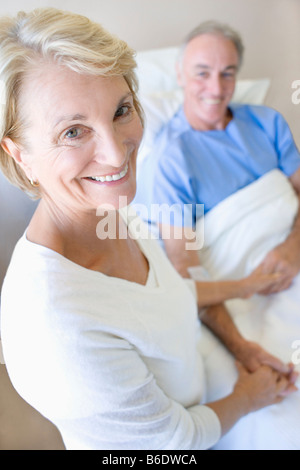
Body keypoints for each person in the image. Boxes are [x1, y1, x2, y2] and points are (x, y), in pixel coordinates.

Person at [0, 8, 297, 451]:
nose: (117, 155)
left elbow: (166, 296)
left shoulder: (115, 213)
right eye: (74, 131)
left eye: (121, 110)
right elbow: (171, 444)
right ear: (19, 153)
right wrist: (249, 396)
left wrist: (244, 334)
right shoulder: (57, 325)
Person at [134, 21, 300, 293]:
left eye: (227, 73)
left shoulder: (268, 123)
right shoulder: (171, 158)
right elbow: (186, 267)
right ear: (180, 74)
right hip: (247, 287)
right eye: (202, 73)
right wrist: (238, 338)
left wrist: (294, 247)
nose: (216, 88)